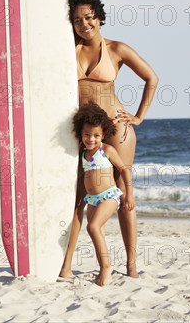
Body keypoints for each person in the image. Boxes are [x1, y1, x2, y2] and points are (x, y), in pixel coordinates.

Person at [52, 0, 159, 279]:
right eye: (77, 19)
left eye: (89, 17)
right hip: (83, 131)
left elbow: (152, 78)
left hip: (116, 127)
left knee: (125, 193)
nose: (84, 24)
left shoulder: (117, 49)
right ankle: (66, 265)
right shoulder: (67, 47)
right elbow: (44, 10)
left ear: (99, 15)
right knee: (78, 195)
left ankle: (130, 264)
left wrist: (138, 117)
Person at [71, 102, 134, 286]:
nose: (91, 139)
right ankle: (103, 267)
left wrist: (128, 194)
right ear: (81, 134)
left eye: (96, 135)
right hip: (92, 199)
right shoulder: (83, 153)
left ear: (103, 134)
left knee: (93, 227)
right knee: (98, 232)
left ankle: (106, 267)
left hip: (109, 196)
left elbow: (125, 169)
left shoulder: (106, 150)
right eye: (87, 135)